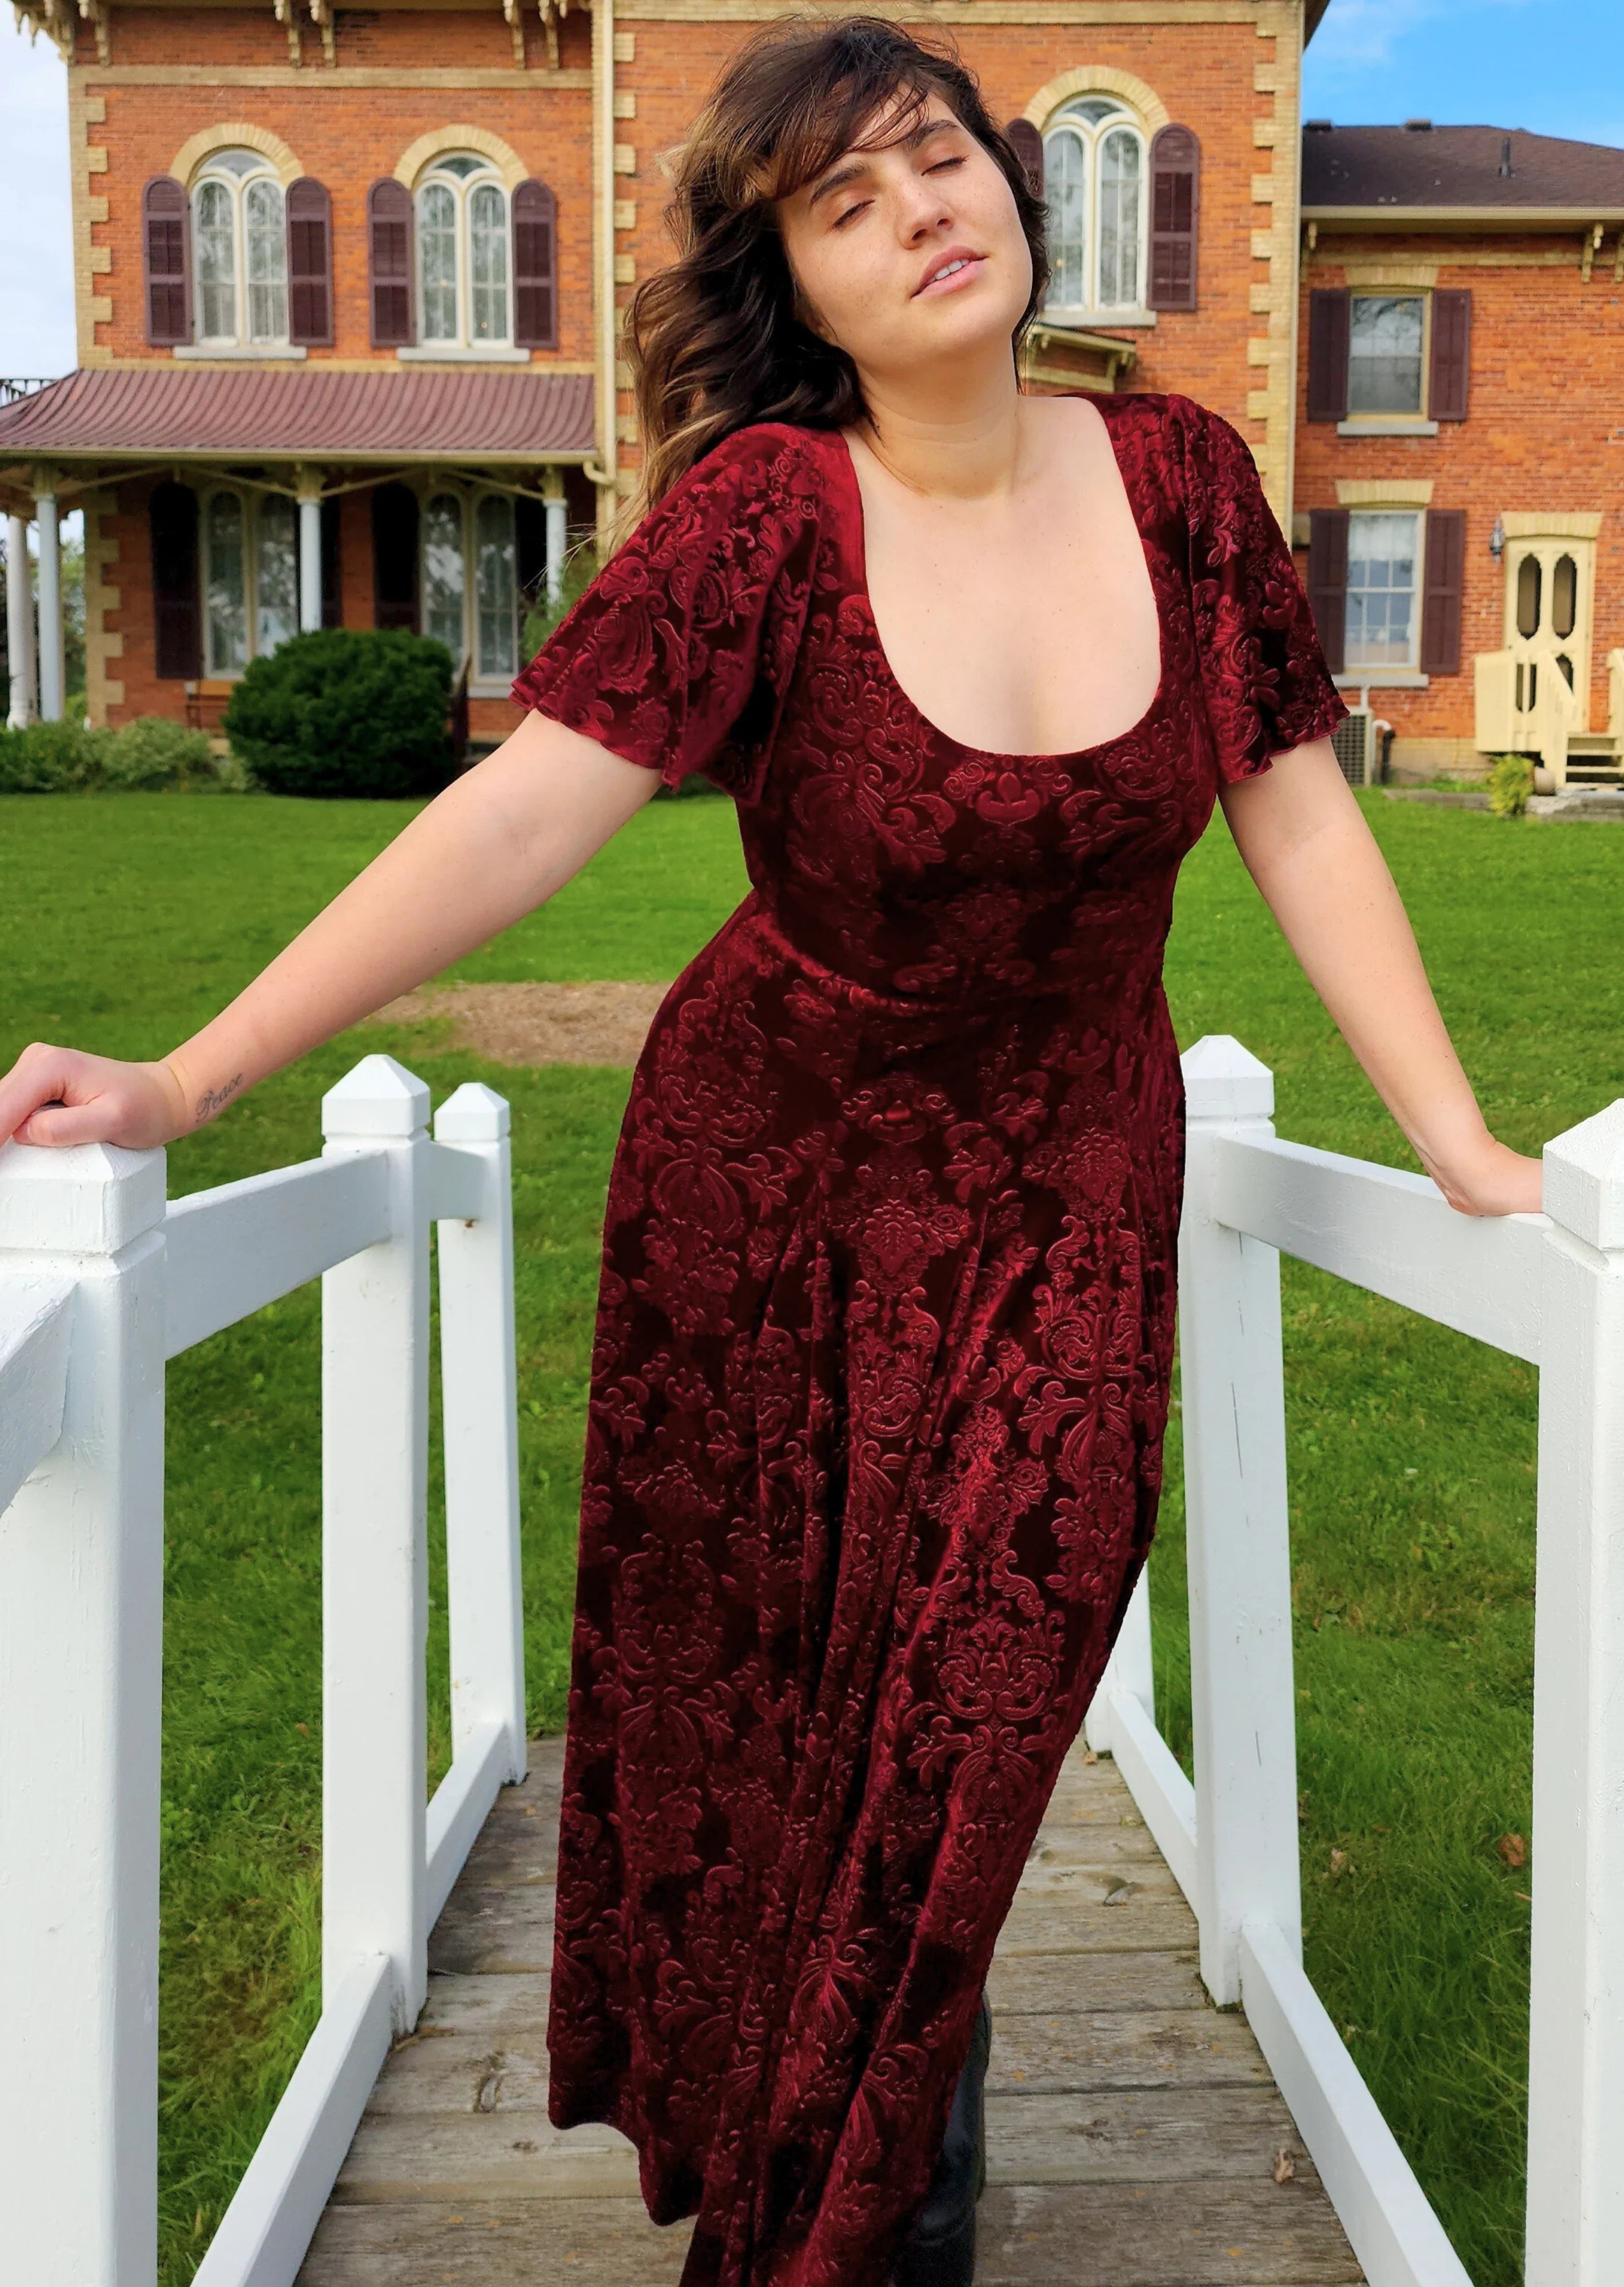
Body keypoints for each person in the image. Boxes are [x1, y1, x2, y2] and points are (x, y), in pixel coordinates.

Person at [0, 18, 1542, 2287]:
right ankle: (870, 2200)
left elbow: (1296, 801)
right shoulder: (762, 521)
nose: (925, 210)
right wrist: (189, 1081)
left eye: (944, 160)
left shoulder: (1188, 485)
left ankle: (843, 2229)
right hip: (767, 1210)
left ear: (1021, 191)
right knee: (785, 1756)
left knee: (973, 1735)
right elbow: (528, 809)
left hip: (1069, 1217)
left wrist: (1467, 1143)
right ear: (793, 286)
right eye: (849, 199)